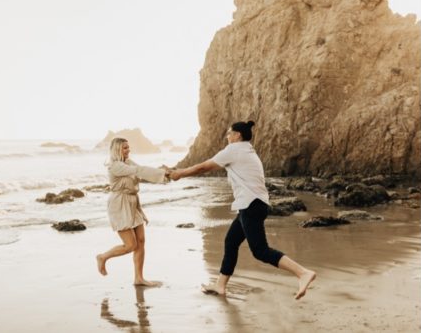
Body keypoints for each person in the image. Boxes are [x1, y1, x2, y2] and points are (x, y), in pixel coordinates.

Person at [170, 121, 317, 300]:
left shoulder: (234, 150)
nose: (227, 136)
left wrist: (180, 173)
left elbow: (203, 167)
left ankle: (302, 273)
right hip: (252, 204)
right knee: (231, 241)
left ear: (238, 135)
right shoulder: (247, 150)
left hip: (251, 205)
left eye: (229, 133)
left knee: (260, 251)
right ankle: (220, 286)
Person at [95, 138, 169, 287]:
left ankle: (139, 278)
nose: (128, 150)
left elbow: (142, 171)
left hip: (132, 203)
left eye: (128, 147)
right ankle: (103, 257)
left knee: (141, 242)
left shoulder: (129, 163)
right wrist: (163, 174)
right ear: (116, 150)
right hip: (119, 204)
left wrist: (166, 175)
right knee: (130, 245)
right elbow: (139, 171)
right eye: (125, 148)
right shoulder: (115, 166)